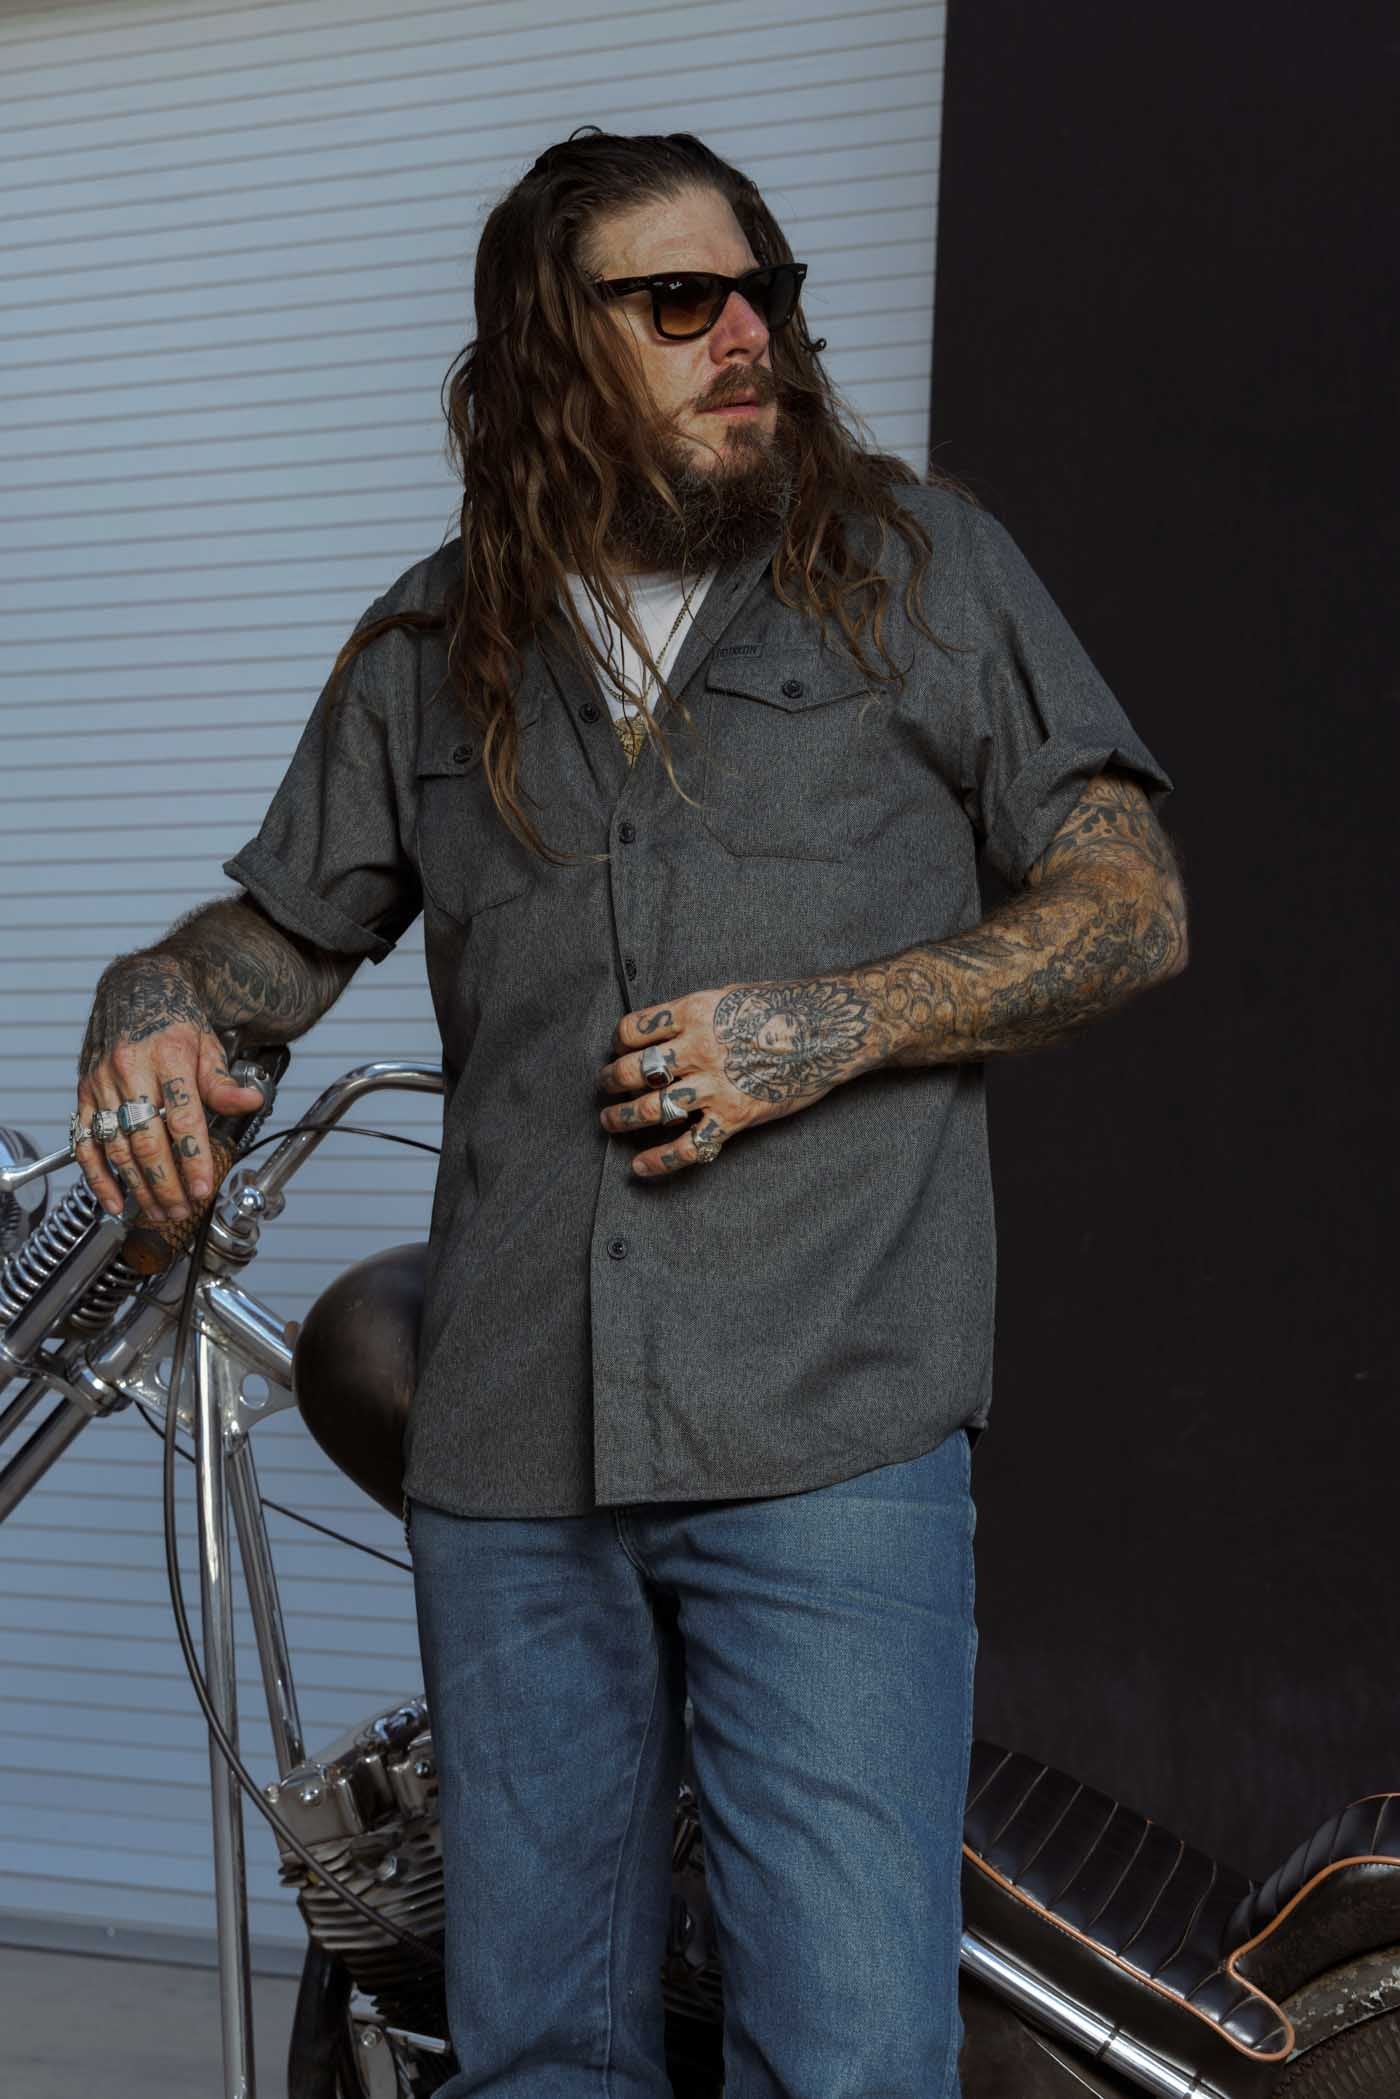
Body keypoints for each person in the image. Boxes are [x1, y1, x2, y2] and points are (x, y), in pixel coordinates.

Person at [73, 129, 1187, 2099]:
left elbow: (1130, 903)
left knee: (846, 2060)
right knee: (536, 2054)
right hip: (512, 1457)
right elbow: (268, 946)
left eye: (764, 291)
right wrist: (151, 1008)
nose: (749, 333)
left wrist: (840, 1023)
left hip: (829, 1426)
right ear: (547, 346)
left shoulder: (925, 577)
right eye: (682, 302)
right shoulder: (430, 652)